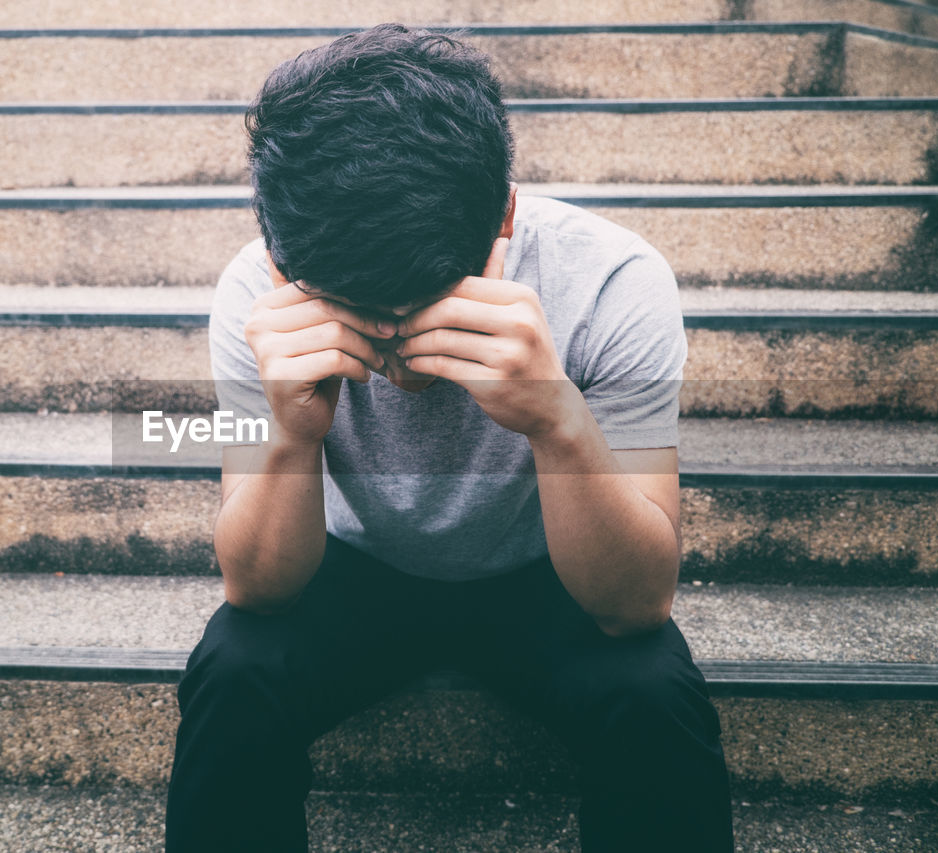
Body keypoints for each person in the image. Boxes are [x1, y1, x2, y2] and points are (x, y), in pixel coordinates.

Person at [164, 22, 733, 852]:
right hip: (353, 568)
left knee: (653, 692)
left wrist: (558, 419)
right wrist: (290, 436)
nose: (394, 351)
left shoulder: (614, 279)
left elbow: (637, 604)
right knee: (232, 670)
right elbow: (257, 590)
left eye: (422, 303)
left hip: (548, 567)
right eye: (357, 311)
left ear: (503, 217)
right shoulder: (259, 290)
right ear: (288, 265)